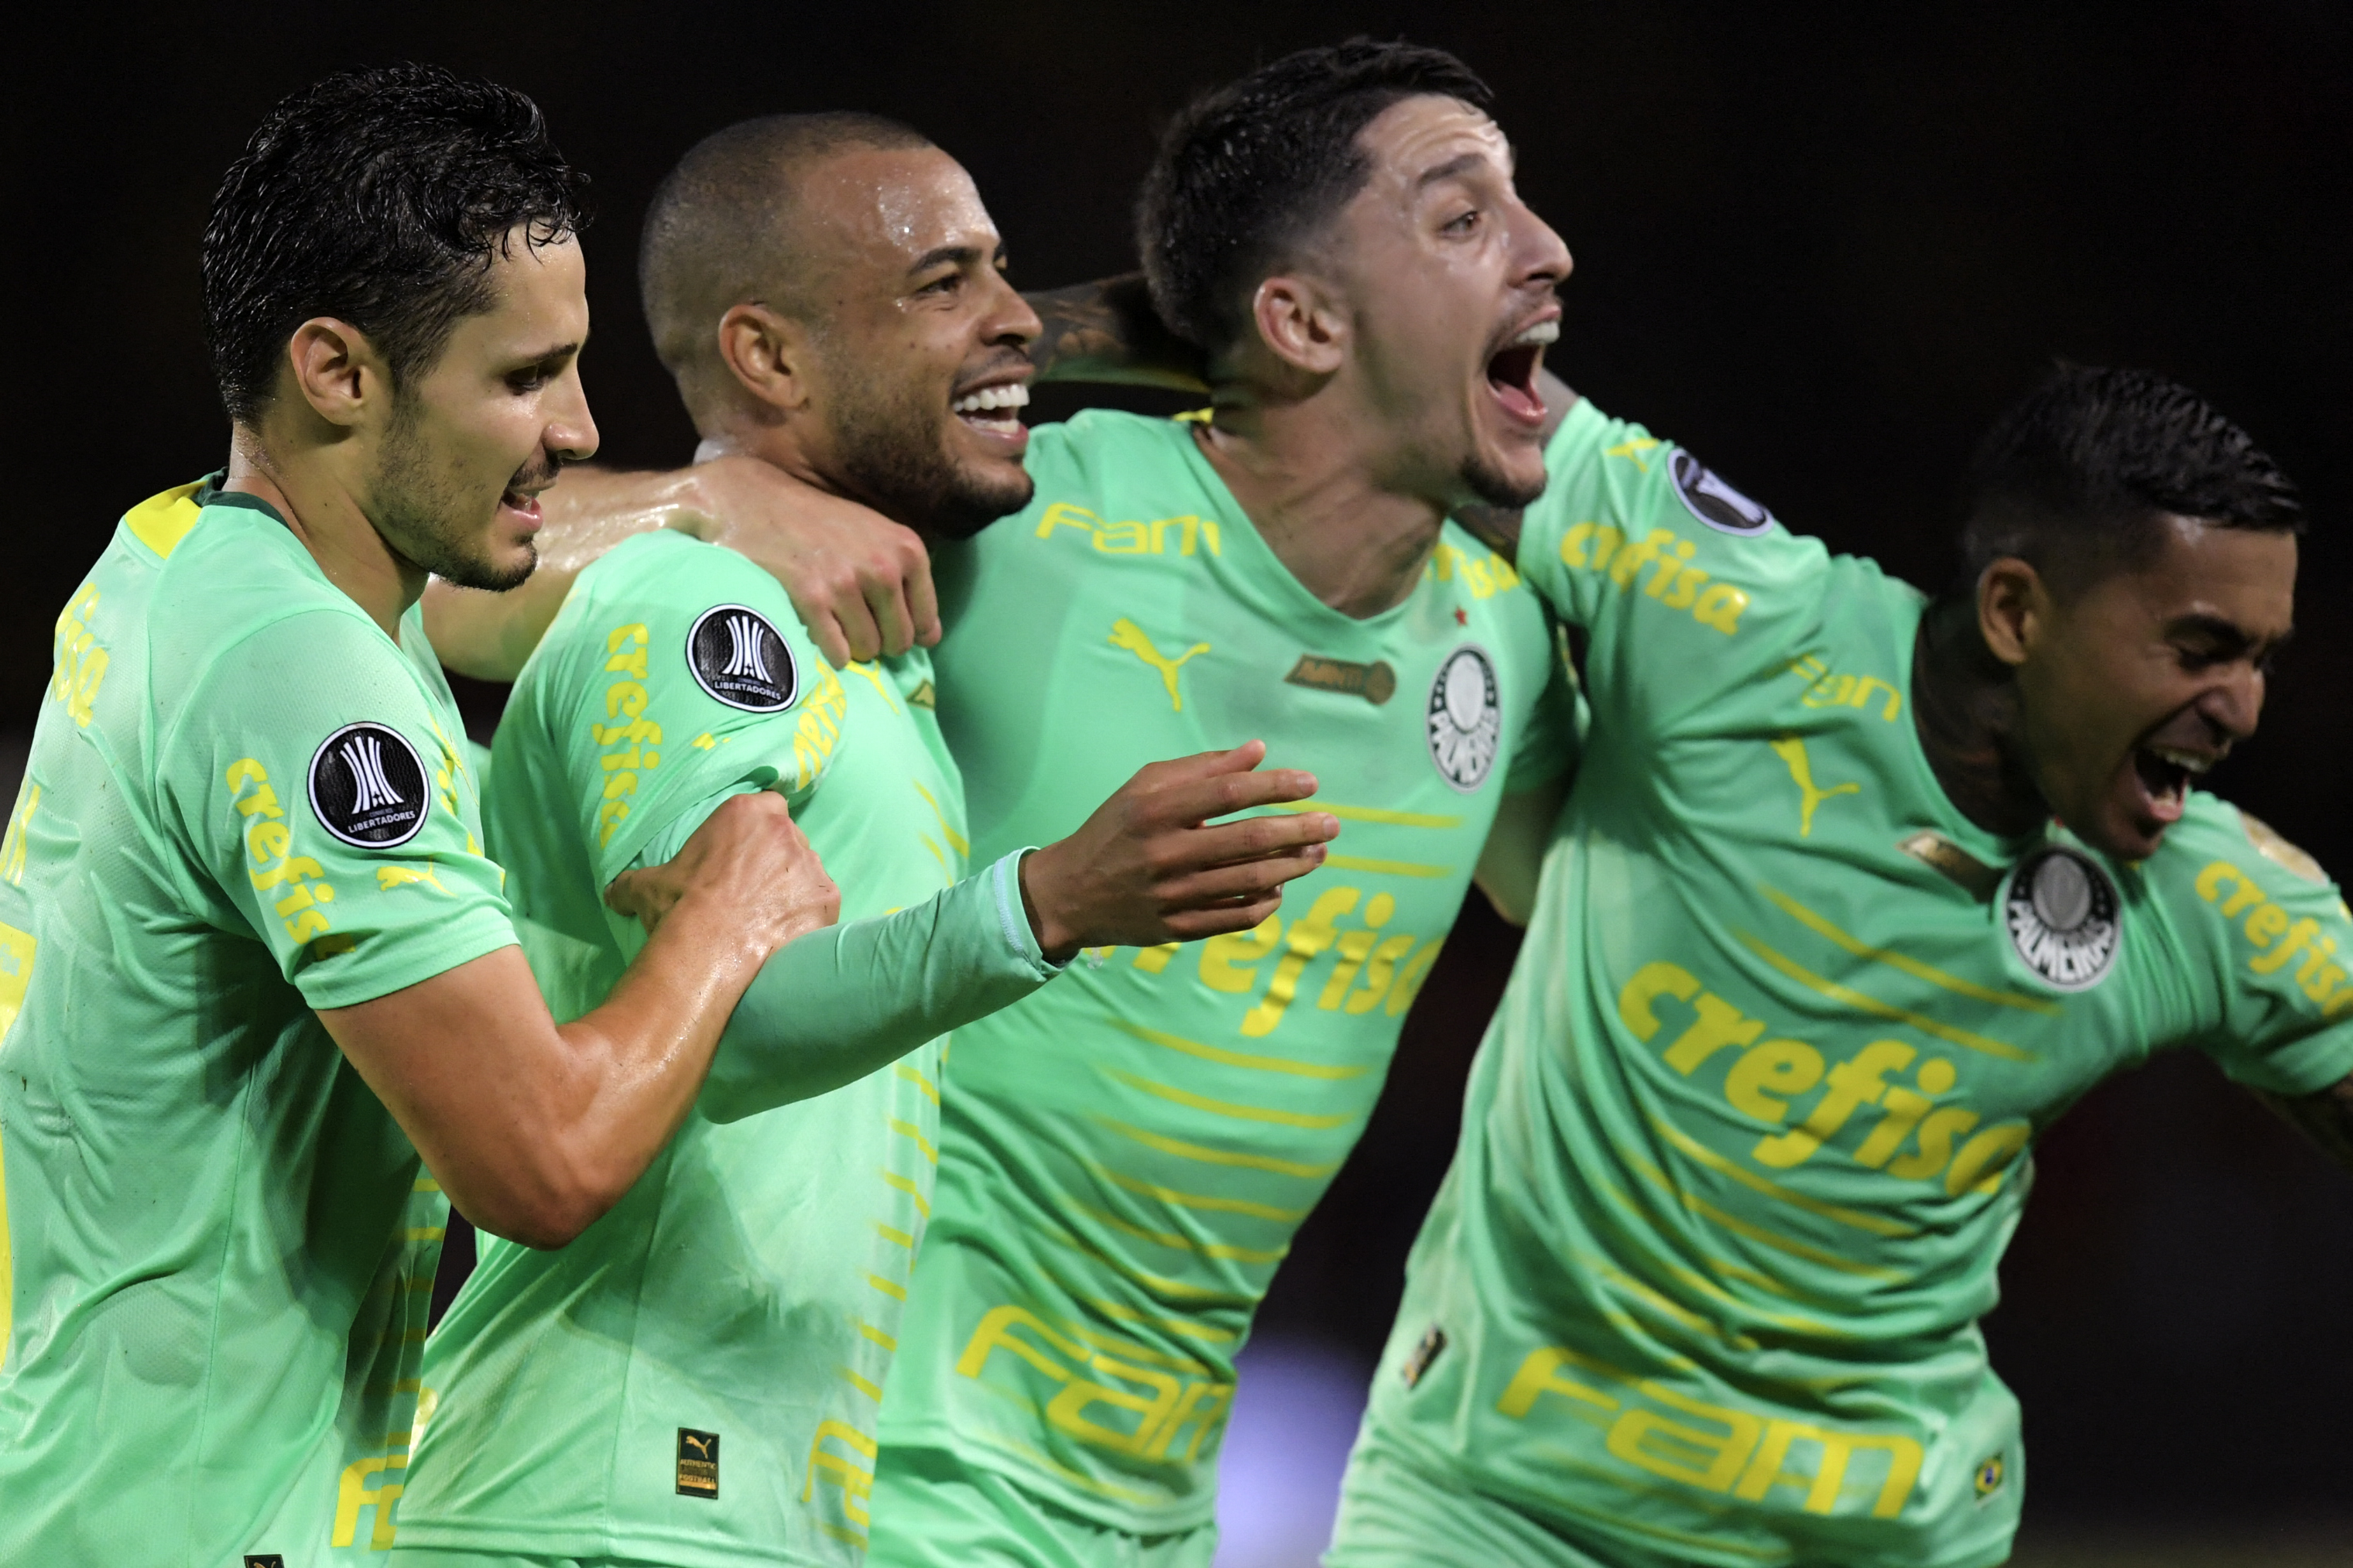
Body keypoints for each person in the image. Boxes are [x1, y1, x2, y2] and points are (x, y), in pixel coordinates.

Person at [414, 41, 1583, 1566]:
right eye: (1457, 216)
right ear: (1296, 316)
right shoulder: (991, 527)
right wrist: (708, 495)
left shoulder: (1498, 646)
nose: (1547, 251)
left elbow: (1658, 921)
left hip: (1158, 1506)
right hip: (854, 1472)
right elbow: (423, 578)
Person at [0, 65, 839, 1568]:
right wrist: (726, 924)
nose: (580, 428)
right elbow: (539, 1164)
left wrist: (722, 508)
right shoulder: (309, 677)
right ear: (338, 371)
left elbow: (502, 603)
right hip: (191, 1521)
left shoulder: (187, 557)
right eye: (525, 378)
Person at [1325, 362, 2351, 1568]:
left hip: (1872, 1540)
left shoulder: (2210, 902)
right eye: (2198, 649)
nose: (2239, 706)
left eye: (2262, 660)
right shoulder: (1731, 616)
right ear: (2018, 612)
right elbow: (1376, 358)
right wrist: (1040, 355)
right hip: (1493, 1504)